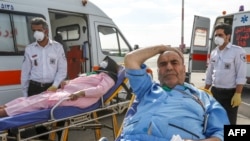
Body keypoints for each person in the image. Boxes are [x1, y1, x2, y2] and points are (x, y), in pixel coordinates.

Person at [117, 45, 229, 141]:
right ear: (158, 71)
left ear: (184, 69)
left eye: (174, 62)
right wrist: (163, 47)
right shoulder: (146, 89)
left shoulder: (203, 98)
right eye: (163, 64)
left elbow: (222, 134)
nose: (169, 67)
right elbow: (131, 59)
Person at [0, 56, 119, 117]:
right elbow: (78, 81)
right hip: (65, 93)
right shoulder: (97, 74)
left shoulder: (109, 78)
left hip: (78, 98)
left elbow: (100, 90)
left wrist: (80, 93)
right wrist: (67, 82)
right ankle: (4, 107)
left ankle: (5, 112)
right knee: (32, 98)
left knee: (41, 101)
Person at [204, 24, 247, 125]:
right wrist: (206, 90)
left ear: (228, 36)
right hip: (215, 92)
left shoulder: (237, 51)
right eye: (215, 35)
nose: (217, 38)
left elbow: (241, 75)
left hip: (230, 94)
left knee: (230, 121)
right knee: (215, 121)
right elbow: (210, 73)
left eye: (220, 35)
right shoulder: (214, 52)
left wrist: (238, 93)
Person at [21, 17, 67, 97]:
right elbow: (25, 73)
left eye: (39, 30)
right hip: (34, 89)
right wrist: (25, 93)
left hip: (52, 87)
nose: (36, 33)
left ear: (46, 31)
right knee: (34, 110)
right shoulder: (29, 49)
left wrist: (55, 85)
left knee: (52, 109)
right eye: (34, 30)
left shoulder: (57, 47)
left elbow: (62, 69)